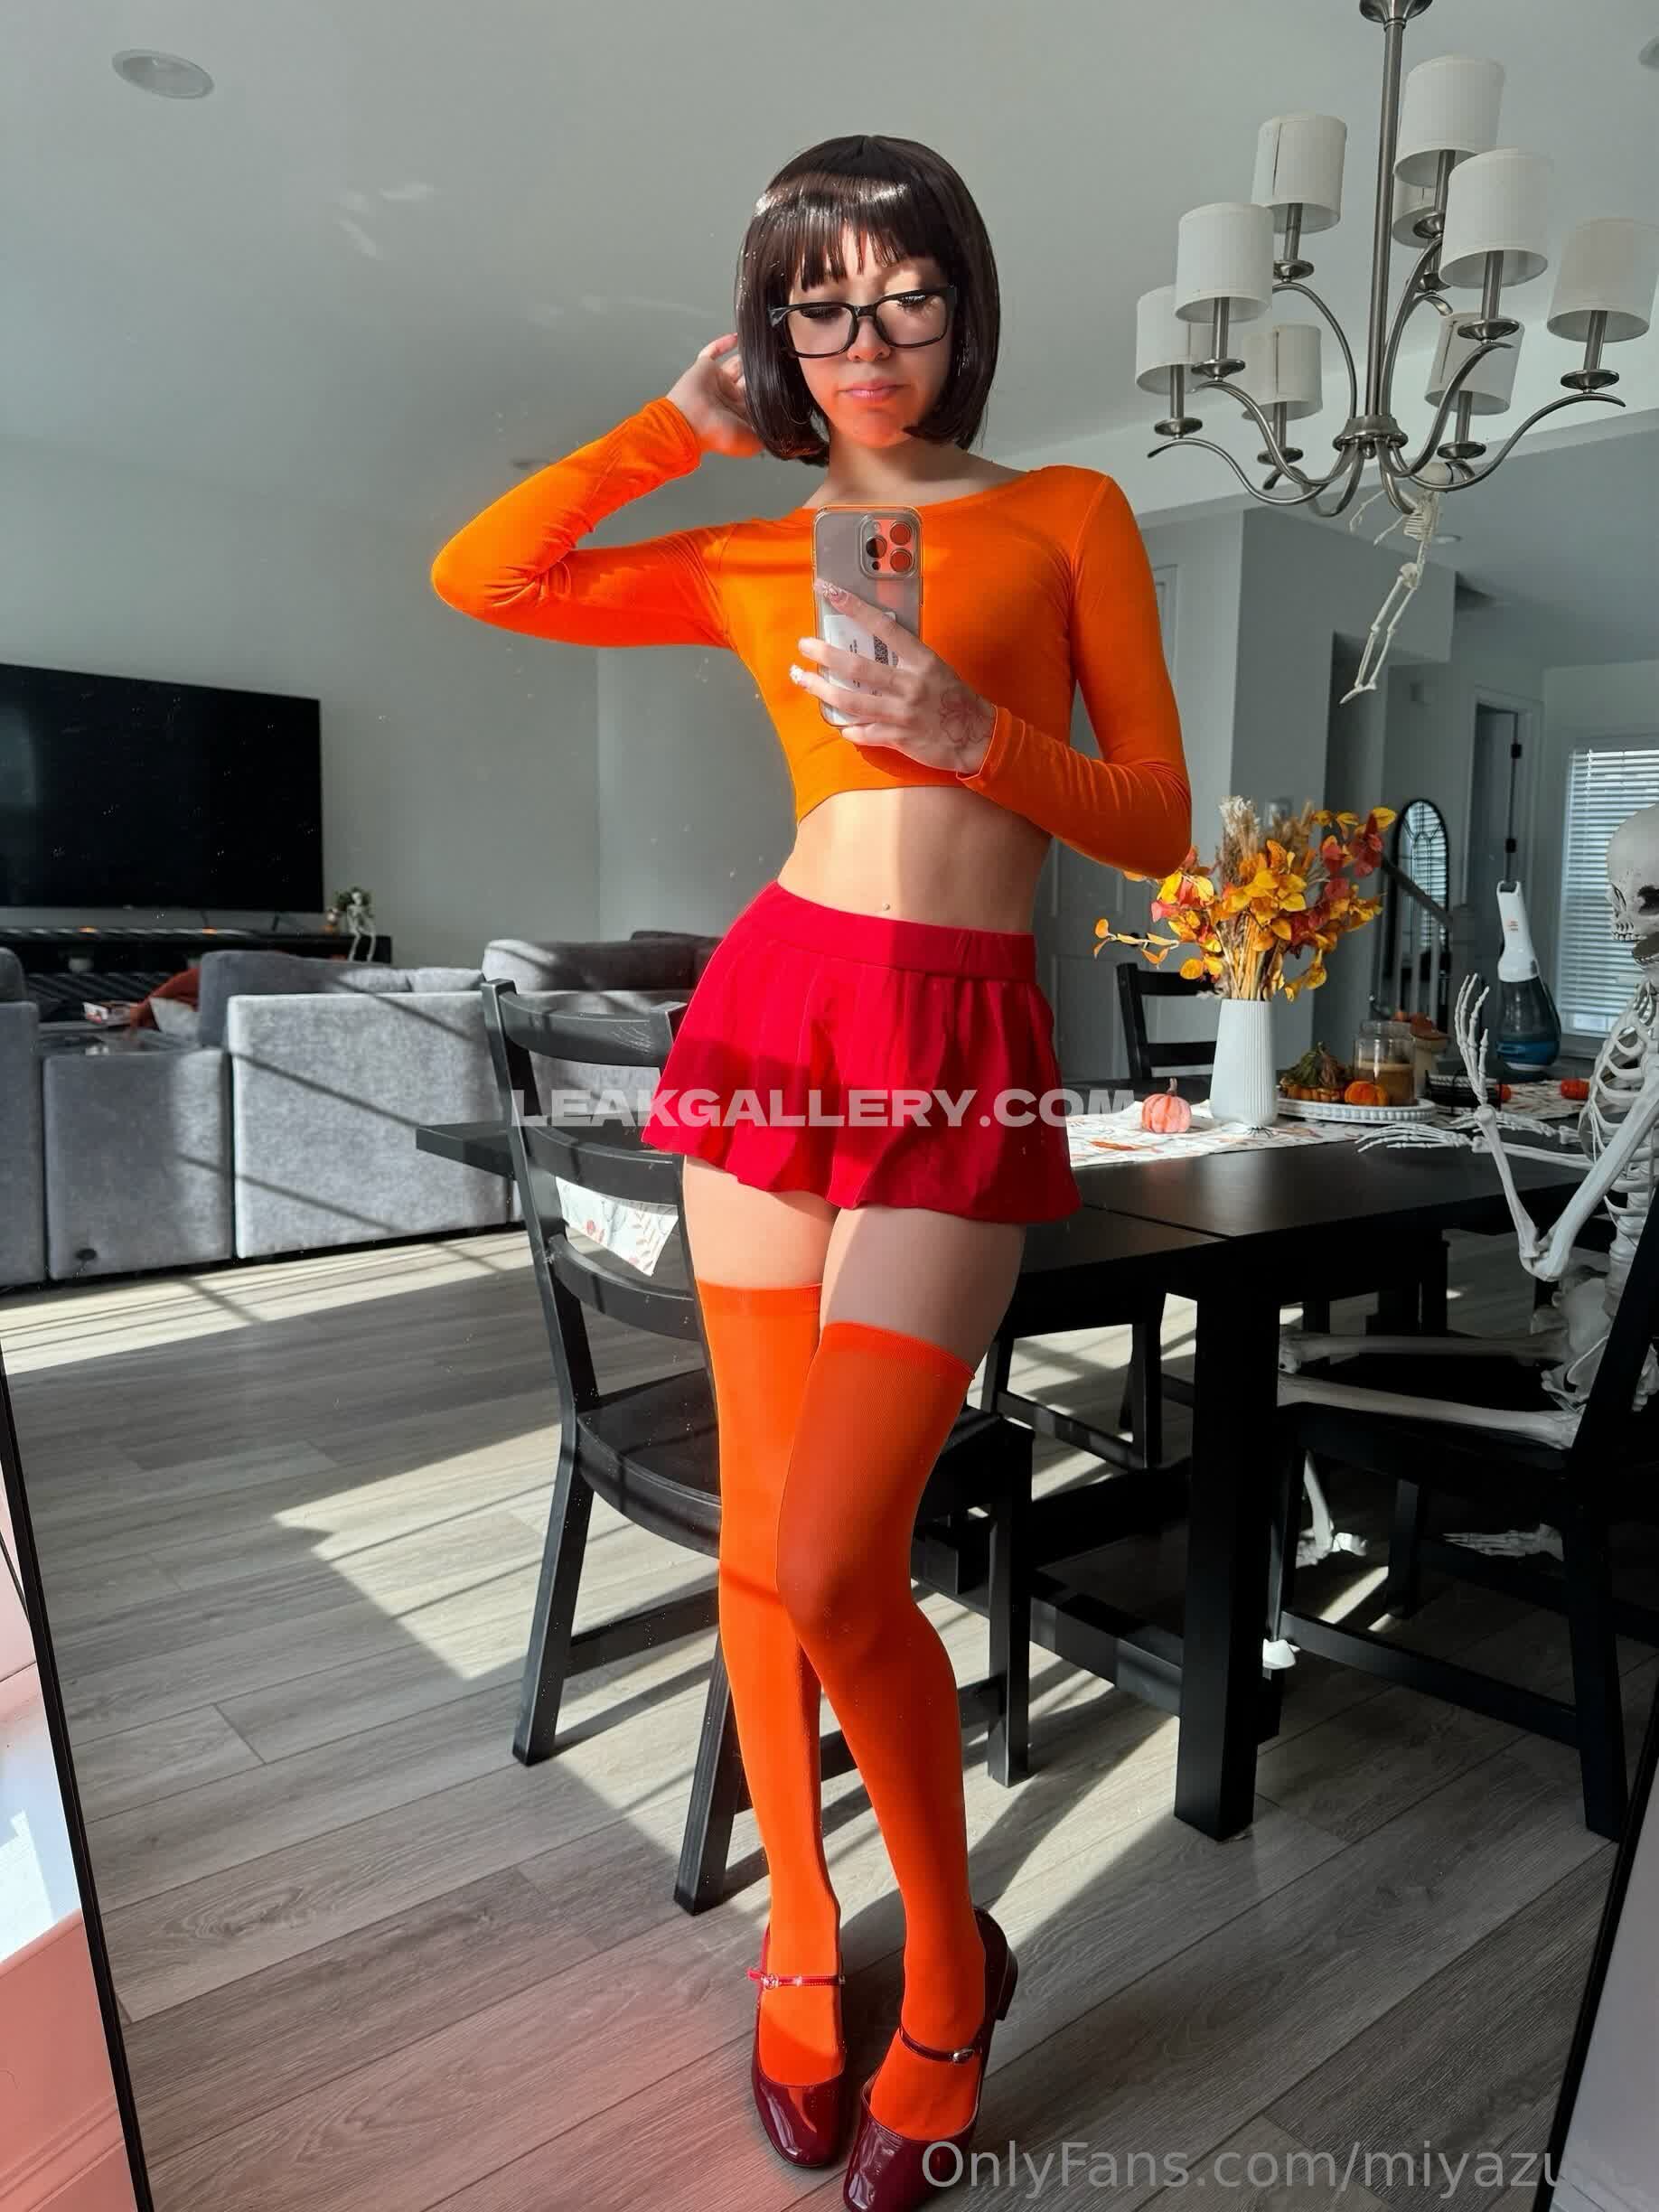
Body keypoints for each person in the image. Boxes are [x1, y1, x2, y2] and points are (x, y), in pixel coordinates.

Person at [431, 132, 1190, 2212]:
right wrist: (664, 432)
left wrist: (967, 729)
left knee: (849, 1554)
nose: (867, 338)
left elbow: (1154, 820)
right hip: (774, 1017)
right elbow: (483, 576)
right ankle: (793, 1934)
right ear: (772, 325)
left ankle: (948, 1966)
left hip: (959, 1040)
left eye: (906, 293)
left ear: (966, 304)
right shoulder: (759, 549)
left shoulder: (1067, 511)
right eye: (818, 301)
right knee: (766, 1549)